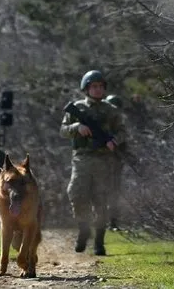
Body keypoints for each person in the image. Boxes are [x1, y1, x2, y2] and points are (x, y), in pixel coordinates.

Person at [60, 70, 126, 256]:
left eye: (100, 86)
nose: (97, 90)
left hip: (104, 160)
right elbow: (63, 130)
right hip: (82, 158)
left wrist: (114, 141)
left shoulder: (111, 111)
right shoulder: (77, 108)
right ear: (86, 88)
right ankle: (83, 228)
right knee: (76, 193)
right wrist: (77, 127)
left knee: (101, 201)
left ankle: (99, 241)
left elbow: (122, 131)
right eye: (93, 86)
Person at [104, 94, 126, 231]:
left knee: (114, 193)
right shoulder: (102, 124)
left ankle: (113, 222)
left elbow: (123, 142)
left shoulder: (119, 126)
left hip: (115, 163)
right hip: (100, 162)